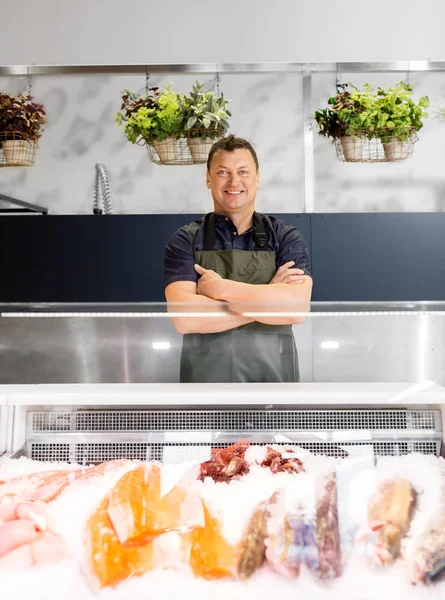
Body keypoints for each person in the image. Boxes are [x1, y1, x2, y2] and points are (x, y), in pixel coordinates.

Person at [164, 135, 312, 383]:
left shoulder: (285, 237)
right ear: (208, 178)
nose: (234, 181)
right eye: (223, 172)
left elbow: (296, 311)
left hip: (274, 387)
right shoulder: (186, 239)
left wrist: (223, 289)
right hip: (205, 389)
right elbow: (184, 318)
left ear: (257, 178)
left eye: (243, 171)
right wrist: (269, 297)